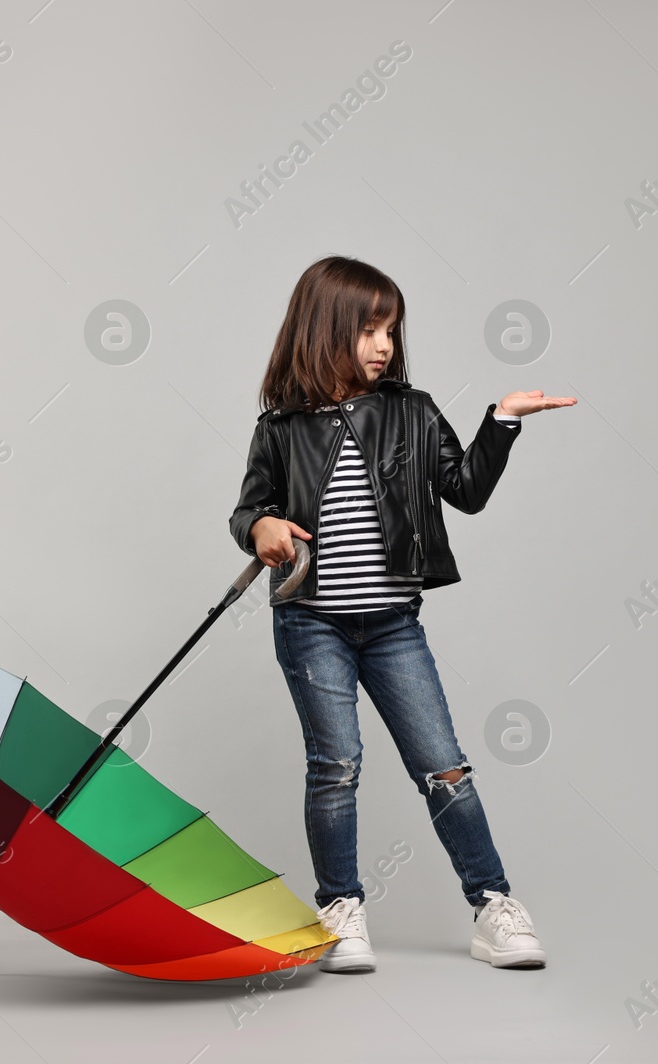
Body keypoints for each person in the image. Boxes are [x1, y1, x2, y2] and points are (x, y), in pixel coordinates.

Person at [228, 255, 575, 971]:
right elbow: (249, 509)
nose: (383, 344)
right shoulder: (282, 427)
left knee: (444, 765)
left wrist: (503, 420)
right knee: (337, 766)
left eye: (390, 329)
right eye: (367, 329)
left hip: (392, 625)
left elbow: (466, 489)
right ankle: (341, 906)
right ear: (324, 329)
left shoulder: (412, 412)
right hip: (311, 621)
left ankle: (493, 905)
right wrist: (260, 527)